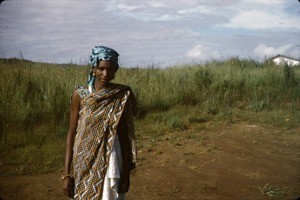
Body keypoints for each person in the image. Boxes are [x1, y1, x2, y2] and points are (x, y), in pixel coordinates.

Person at [62, 46, 137, 199]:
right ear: (93, 69)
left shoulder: (120, 96)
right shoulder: (81, 95)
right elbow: (71, 133)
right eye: (101, 69)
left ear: (115, 71)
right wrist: (66, 174)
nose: (105, 74)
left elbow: (124, 135)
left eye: (110, 69)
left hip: (112, 158)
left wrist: (127, 171)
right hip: (83, 160)